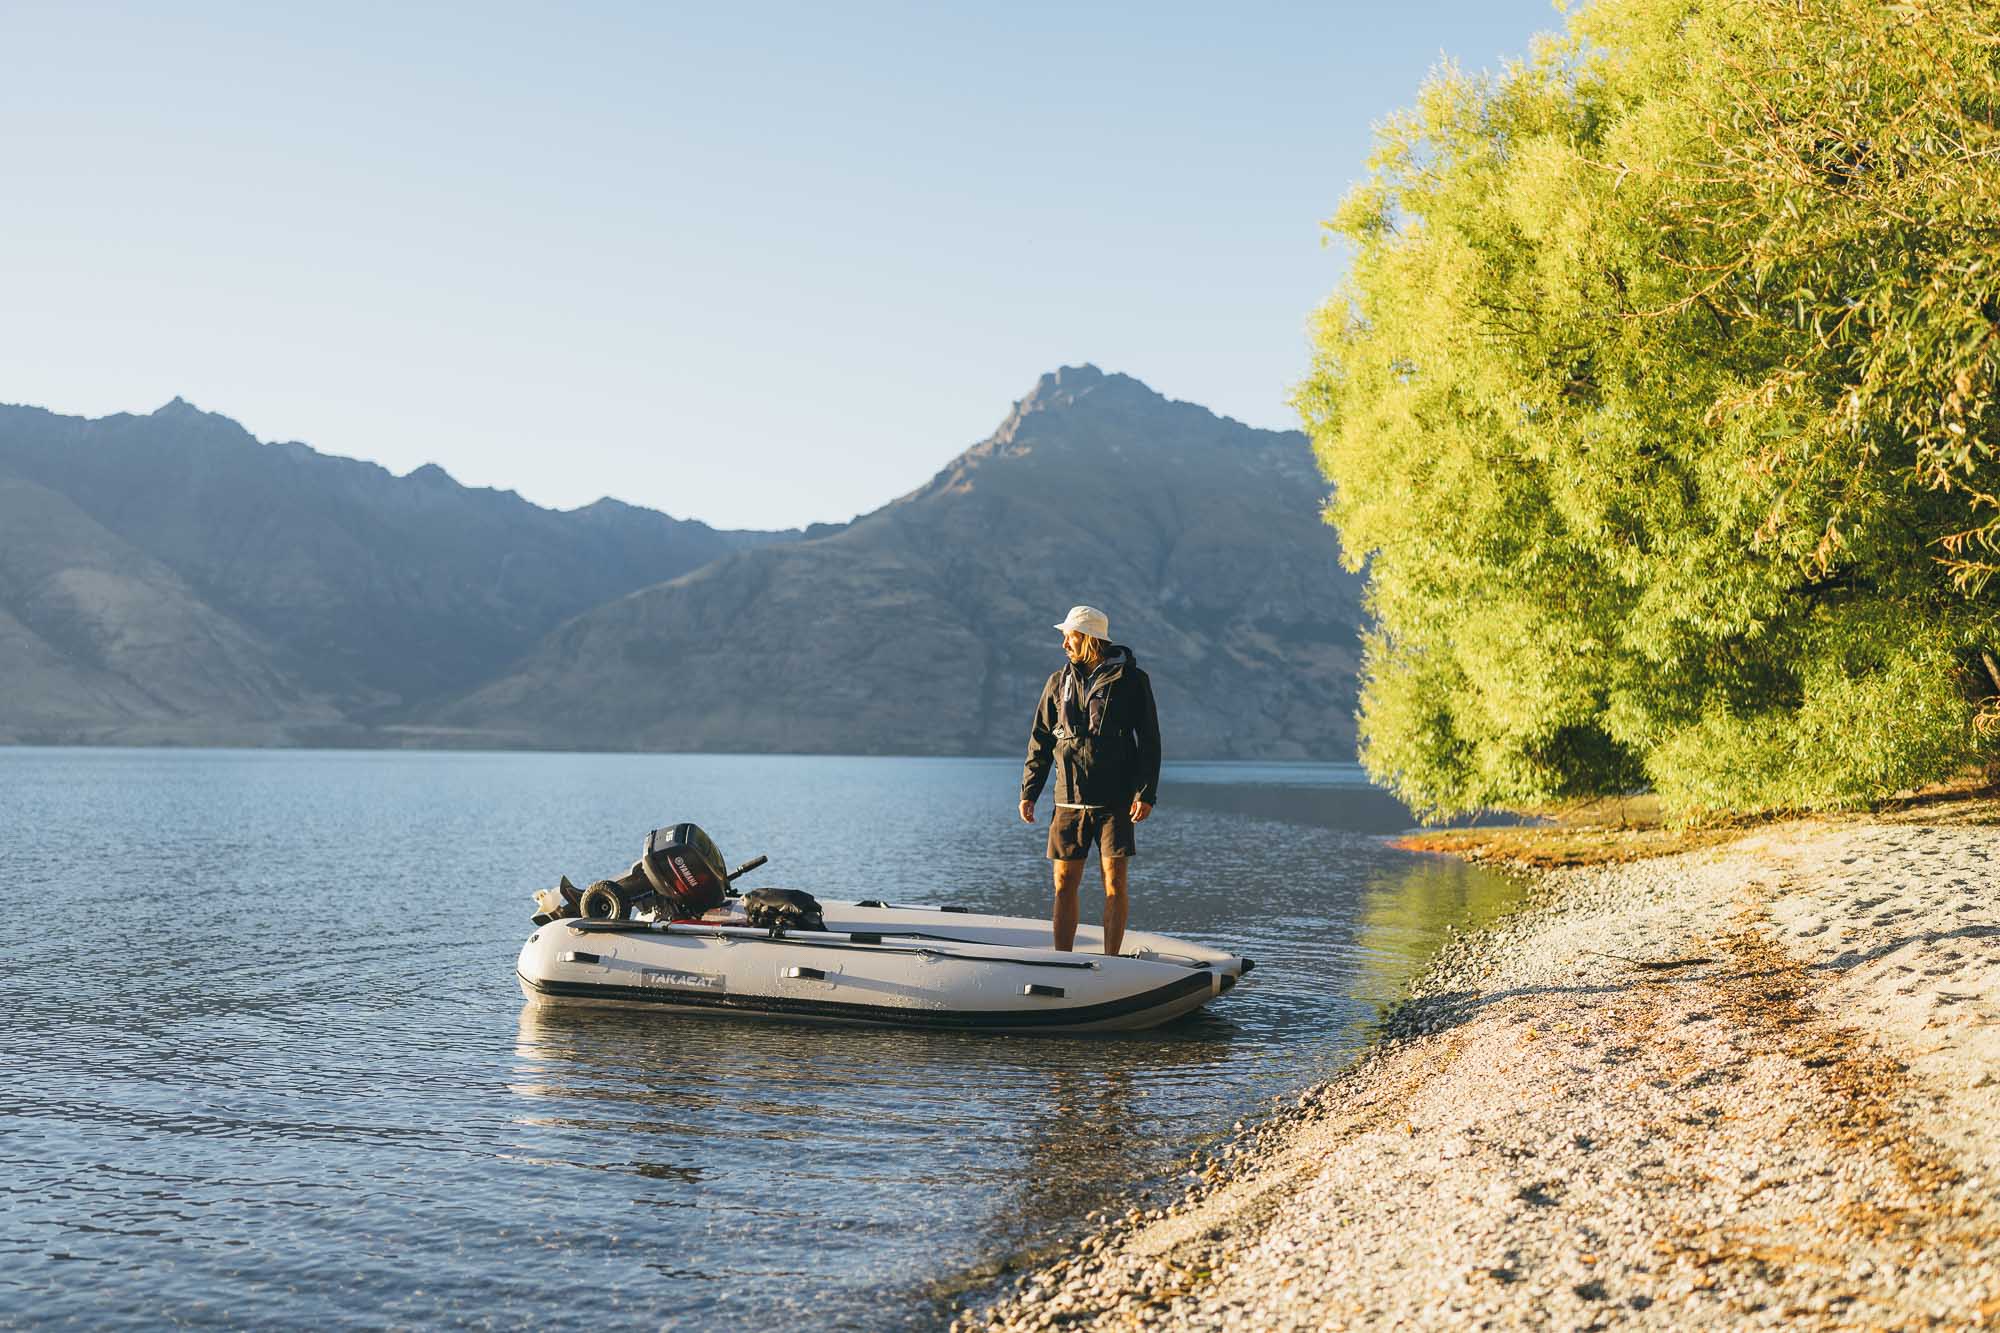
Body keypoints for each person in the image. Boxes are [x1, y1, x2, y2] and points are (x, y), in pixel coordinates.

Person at [1018, 605, 1160, 955]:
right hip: (1067, 800)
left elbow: (1150, 741)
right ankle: (1062, 960)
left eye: (1069, 636)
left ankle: (1111, 961)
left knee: (1115, 884)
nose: (1064, 643)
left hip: (1116, 801)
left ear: (1087, 639)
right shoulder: (1056, 681)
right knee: (1064, 884)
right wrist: (1029, 791)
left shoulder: (1132, 681)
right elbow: (1041, 739)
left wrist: (1145, 793)